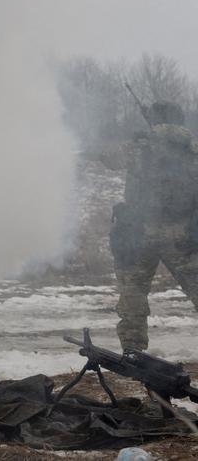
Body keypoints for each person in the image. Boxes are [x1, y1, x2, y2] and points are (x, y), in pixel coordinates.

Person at [108, 101, 198, 351]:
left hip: (140, 232)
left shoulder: (139, 147)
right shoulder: (193, 150)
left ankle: (134, 350)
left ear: (154, 120)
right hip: (183, 235)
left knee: (133, 293)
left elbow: (107, 158)